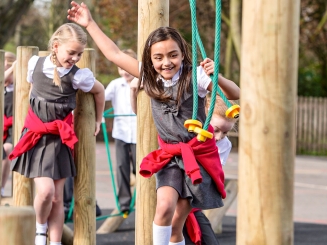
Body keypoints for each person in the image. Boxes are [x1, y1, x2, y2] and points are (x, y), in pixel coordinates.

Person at [67, 2, 240, 244]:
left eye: (173, 55)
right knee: (164, 208)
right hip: (170, 156)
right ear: (150, 59)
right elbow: (115, 54)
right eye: (158, 57)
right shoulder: (149, 77)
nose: (166, 62)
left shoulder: (195, 77)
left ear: (182, 54)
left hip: (196, 157)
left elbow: (233, 94)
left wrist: (216, 75)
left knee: (177, 224)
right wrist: (90, 24)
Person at [8, 23, 105, 245]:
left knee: (57, 198)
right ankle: (40, 229)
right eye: (71, 52)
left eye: (79, 54)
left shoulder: (79, 76)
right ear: (56, 46)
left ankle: (55, 241)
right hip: (37, 136)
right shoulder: (35, 65)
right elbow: (34, 93)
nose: (75, 58)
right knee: (45, 192)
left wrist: (99, 120)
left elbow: (100, 91)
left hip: (60, 139)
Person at [183, 95, 239, 245]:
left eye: (225, 132)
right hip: (177, 197)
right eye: (215, 130)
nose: (219, 137)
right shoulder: (187, 134)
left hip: (194, 204)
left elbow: (212, 173)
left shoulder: (224, 145)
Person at [104, 49, 137, 214]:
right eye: (120, 67)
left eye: (127, 67)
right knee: (121, 166)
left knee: (139, 167)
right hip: (121, 133)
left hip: (139, 134)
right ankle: (124, 204)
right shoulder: (116, 84)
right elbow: (101, 96)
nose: (124, 71)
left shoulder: (141, 82)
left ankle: (145, 198)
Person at [0, 51, 16, 196]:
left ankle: (1, 186)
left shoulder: (17, 88)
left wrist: (13, 69)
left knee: (6, 150)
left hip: (13, 128)